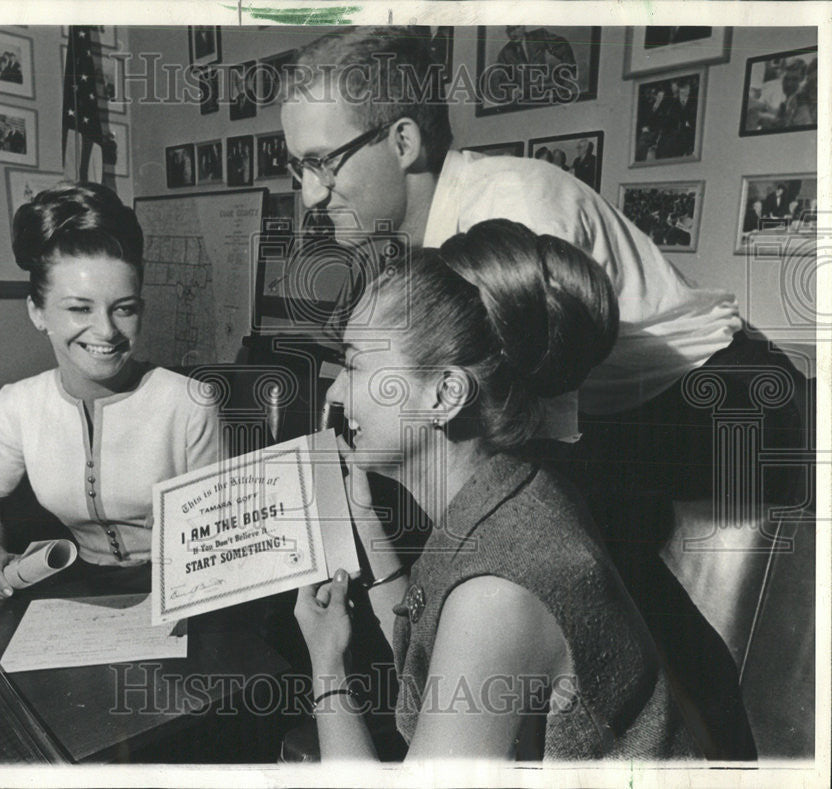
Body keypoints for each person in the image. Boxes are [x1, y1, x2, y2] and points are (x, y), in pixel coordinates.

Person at [280, 26, 807, 509]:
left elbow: (525, 436)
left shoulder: (511, 205)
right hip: (615, 417)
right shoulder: (413, 241)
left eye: (322, 162)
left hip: (717, 406)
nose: (309, 195)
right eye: (298, 167)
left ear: (403, 142)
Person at [295, 219, 700, 760]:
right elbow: (436, 651)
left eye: (352, 364)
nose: (337, 393)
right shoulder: (513, 491)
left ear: (445, 395)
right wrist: (365, 519)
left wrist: (327, 671)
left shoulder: (497, 594)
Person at [0, 183, 221, 599]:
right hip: (74, 584)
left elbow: (217, 539)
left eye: (124, 308)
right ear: (38, 312)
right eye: (80, 308)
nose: (107, 331)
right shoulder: (16, 405)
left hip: (184, 588)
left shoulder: (190, 403)